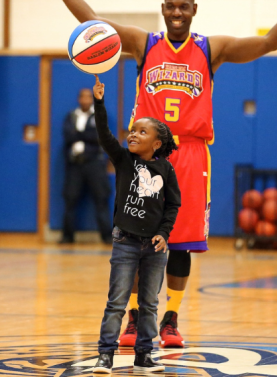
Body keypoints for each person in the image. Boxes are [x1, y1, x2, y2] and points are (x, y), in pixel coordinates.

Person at [63, 0, 277, 347]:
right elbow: (94, 23)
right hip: (148, 156)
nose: (176, 13)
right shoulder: (143, 43)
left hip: (191, 154)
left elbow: (269, 41)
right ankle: (135, 318)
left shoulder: (211, 48)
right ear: (163, 8)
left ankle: (171, 320)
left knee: (179, 243)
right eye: (170, 6)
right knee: (137, 237)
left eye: (183, 6)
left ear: (194, 8)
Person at [91, 75, 180, 373]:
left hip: (154, 247)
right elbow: (104, 134)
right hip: (125, 242)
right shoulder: (124, 161)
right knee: (116, 302)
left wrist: (164, 234)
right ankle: (106, 354)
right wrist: (99, 102)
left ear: (156, 143)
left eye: (141, 132)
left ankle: (145, 354)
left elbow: (173, 205)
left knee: (150, 304)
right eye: (132, 130)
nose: (132, 135)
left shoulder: (165, 169)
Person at [61, 88, 112, 244]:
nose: (86, 100)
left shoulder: (98, 115)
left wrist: (80, 134)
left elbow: (98, 137)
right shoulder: (71, 116)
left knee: (101, 199)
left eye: (89, 97)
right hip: (75, 164)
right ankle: (67, 236)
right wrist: (86, 134)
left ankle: (107, 236)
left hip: (94, 163)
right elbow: (68, 136)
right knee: (70, 199)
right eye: (83, 97)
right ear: (78, 99)